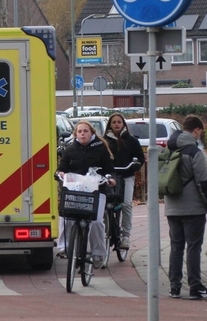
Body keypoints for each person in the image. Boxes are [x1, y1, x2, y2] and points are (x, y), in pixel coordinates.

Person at [164, 115, 207, 300]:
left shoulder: (168, 149)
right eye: (201, 132)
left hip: (171, 207)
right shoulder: (194, 152)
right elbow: (204, 184)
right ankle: (195, 287)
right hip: (193, 209)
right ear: (197, 130)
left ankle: (174, 288)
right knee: (193, 247)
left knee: (176, 247)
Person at [56, 120, 116, 269]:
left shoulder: (101, 149)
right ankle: (64, 247)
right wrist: (60, 174)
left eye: (85, 131)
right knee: (66, 216)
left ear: (92, 134)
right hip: (75, 191)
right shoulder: (70, 149)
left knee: (96, 222)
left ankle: (98, 253)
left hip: (96, 192)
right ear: (76, 134)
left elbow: (110, 169)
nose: (82, 134)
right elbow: (61, 168)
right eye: (80, 131)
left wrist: (110, 178)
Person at [103, 113, 144, 251]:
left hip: (126, 177)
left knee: (126, 205)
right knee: (104, 205)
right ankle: (106, 230)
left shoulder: (131, 140)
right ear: (110, 124)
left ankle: (125, 236)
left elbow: (140, 158)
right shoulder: (104, 141)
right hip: (109, 177)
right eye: (113, 122)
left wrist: (134, 166)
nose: (116, 124)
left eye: (119, 122)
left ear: (123, 124)